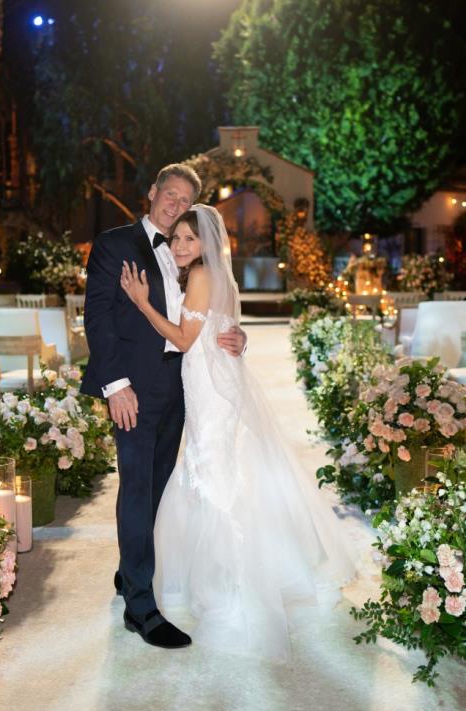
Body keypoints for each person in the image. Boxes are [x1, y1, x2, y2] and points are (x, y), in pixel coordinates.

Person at [120, 205, 355, 658]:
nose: (182, 245)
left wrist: (141, 301)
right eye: (178, 239)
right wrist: (237, 337)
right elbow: (223, 327)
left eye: (191, 238)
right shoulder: (219, 276)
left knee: (212, 466)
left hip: (208, 382)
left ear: (208, 243)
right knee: (220, 460)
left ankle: (230, 577)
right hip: (216, 378)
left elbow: (186, 339)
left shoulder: (204, 275)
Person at [80, 166, 247, 649]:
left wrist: (238, 337)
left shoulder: (189, 255)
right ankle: (141, 607)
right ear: (152, 193)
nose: (173, 205)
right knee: (136, 488)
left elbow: (209, 315)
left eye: (183, 200)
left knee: (157, 488)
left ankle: (127, 571)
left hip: (183, 389)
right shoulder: (116, 244)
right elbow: (99, 317)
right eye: (168, 195)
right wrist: (115, 385)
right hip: (133, 390)